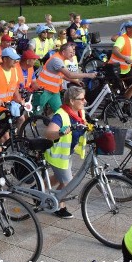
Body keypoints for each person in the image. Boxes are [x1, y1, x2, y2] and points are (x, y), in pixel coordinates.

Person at [43, 86, 89, 219]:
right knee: (67, 183)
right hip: (57, 154)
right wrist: (60, 132)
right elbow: (48, 133)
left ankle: (38, 188)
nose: (84, 101)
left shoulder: (80, 112)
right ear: (72, 101)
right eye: (81, 99)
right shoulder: (60, 115)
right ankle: (58, 206)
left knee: (59, 178)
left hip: (67, 153)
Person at [37, 43, 97, 114]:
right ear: (63, 52)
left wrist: (75, 81)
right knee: (35, 112)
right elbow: (69, 74)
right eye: (70, 52)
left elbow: (62, 75)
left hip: (54, 91)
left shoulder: (60, 59)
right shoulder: (56, 60)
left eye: (73, 52)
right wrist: (89, 75)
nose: (72, 54)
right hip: (43, 90)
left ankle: (55, 123)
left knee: (60, 112)